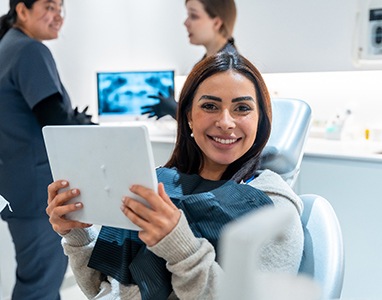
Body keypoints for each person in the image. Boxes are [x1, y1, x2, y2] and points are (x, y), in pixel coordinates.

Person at [46, 51, 304, 300]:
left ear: (261, 119)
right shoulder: (156, 183)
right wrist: (77, 234)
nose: (226, 122)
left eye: (242, 108)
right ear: (189, 115)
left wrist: (180, 247)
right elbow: (103, 289)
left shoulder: (273, 208)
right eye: (210, 106)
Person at [0, 0, 94, 299]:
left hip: (18, 188)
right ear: (22, 10)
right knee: (39, 287)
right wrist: (85, 127)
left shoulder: (7, 46)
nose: (57, 17)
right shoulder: (29, 50)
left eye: (60, 9)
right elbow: (55, 122)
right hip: (39, 193)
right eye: (49, 7)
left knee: (36, 280)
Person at [141, 0, 238, 120]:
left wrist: (175, 110)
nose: (186, 23)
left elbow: (214, 121)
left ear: (217, 23)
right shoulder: (208, 62)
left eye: (193, 16)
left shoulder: (228, 68)